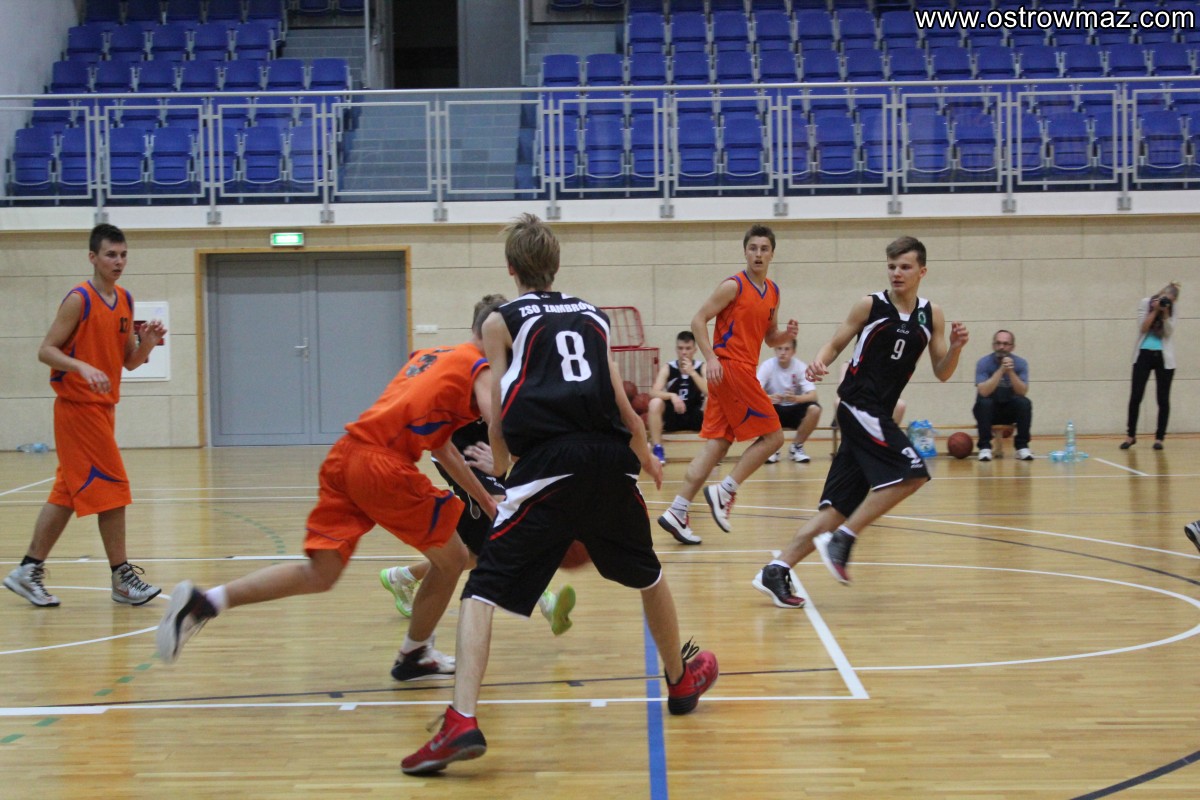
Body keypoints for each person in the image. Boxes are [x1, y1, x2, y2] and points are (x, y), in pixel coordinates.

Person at [402, 214, 717, 776]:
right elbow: (620, 401)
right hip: (610, 460)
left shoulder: (501, 320)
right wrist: (645, 452)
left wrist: (503, 471)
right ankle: (680, 679)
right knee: (648, 574)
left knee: (481, 590)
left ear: (512, 268)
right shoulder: (593, 315)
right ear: (556, 264)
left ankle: (461, 721)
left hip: (550, 464)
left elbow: (500, 409)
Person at [156, 297, 506, 683]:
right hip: (382, 465)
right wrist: (509, 462)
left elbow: (442, 448)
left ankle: (205, 602)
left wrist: (485, 499)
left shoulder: (432, 355)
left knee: (320, 573)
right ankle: (414, 655)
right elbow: (497, 421)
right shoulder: (479, 365)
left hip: (346, 456)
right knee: (454, 559)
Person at [753, 236, 969, 607]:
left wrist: (957, 348)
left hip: (878, 412)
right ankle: (845, 538)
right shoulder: (870, 305)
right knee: (914, 473)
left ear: (922, 271)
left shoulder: (931, 314)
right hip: (857, 405)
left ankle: (777, 569)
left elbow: (942, 371)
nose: (897, 273)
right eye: (892, 266)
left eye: (905, 267)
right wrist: (819, 361)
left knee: (835, 511)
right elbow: (835, 344)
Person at [4, 224, 166, 609]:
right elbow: (46, 350)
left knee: (66, 493)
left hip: (104, 409)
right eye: (111, 255)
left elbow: (128, 361)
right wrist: (81, 366)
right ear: (93, 257)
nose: (118, 262)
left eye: (123, 255)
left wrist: (147, 344)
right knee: (114, 488)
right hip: (77, 409)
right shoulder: (79, 299)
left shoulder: (125, 299)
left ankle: (27, 570)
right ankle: (121, 577)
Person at [656, 224, 799, 546]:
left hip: (736, 372)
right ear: (745, 252)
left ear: (772, 254)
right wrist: (710, 358)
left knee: (718, 445)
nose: (758, 254)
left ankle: (677, 510)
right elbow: (698, 320)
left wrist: (786, 335)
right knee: (774, 437)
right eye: (753, 248)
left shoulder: (773, 292)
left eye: (764, 249)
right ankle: (725, 491)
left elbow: (769, 337)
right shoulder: (733, 286)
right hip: (732, 368)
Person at [380, 416, 577, 637]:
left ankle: (402, 577)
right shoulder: (483, 395)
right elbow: (495, 419)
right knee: (507, 514)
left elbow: (510, 422)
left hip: (489, 450)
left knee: (473, 553)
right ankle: (547, 602)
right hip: (461, 451)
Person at [1123, 282, 1181, 451]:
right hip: (1143, 354)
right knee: (1136, 396)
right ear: (1161, 294)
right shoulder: (1145, 303)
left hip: (1164, 357)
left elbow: (1169, 332)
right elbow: (1143, 328)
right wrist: (1155, 310)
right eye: (1165, 298)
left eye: (1171, 301)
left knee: (1162, 399)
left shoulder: (1172, 309)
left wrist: (1165, 314)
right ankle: (1130, 435)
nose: (1167, 302)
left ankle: (1159, 438)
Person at [647, 331, 707, 465]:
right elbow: (653, 392)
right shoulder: (669, 368)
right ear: (676, 349)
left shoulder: (701, 367)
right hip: (673, 416)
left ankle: (711, 451)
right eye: (680, 348)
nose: (684, 352)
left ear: (695, 350)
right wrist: (672, 396)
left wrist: (692, 373)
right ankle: (658, 449)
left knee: (712, 400)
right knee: (655, 402)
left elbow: (710, 391)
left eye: (688, 348)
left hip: (695, 415)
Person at [756, 338, 820, 464]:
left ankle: (796, 447)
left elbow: (813, 395)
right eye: (779, 349)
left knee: (815, 409)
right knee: (760, 406)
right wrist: (768, 397)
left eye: (787, 349)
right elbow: (755, 392)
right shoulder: (767, 366)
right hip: (774, 411)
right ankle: (772, 448)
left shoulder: (800, 367)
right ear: (775, 350)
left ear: (793, 351)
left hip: (794, 410)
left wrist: (796, 398)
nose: (783, 352)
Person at [973, 329, 1033, 462]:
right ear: (993, 345)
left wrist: (1010, 372)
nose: (1001, 347)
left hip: (1009, 410)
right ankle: (985, 447)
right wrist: (1001, 370)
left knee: (1025, 403)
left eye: (1005, 344)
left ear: (1012, 347)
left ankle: (1022, 446)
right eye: (998, 343)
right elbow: (983, 391)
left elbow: (1022, 391)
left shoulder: (1021, 363)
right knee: (984, 402)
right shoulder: (983, 363)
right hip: (989, 411)